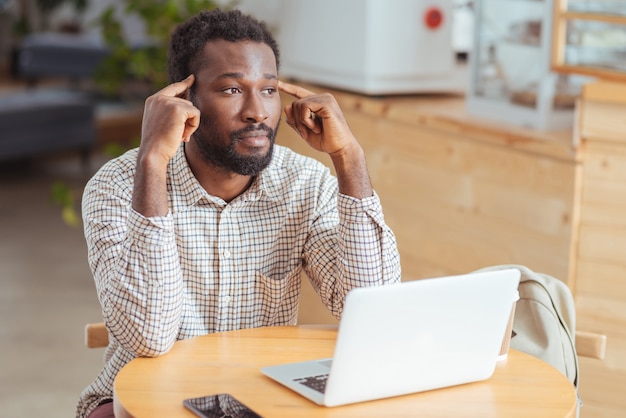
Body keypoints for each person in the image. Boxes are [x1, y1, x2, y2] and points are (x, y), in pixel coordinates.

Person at [77, 8, 401, 418]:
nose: (257, 112)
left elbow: (371, 307)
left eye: (268, 90)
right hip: (149, 399)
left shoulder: (306, 184)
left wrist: (348, 157)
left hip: (262, 397)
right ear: (181, 100)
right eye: (231, 90)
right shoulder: (118, 187)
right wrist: (152, 163)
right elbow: (149, 336)